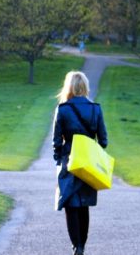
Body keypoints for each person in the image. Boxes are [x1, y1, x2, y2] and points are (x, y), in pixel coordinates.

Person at [53, 71, 108, 255]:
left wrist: (59, 160)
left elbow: (56, 142)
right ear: (84, 86)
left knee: (70, 203)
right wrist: (93, 153)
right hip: (88, 163)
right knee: (83, 204)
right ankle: (81, 246)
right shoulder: (96, 109)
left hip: (69, 161)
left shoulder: (62, 109)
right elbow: (104, 141)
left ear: (69, 87)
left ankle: (76, 246)